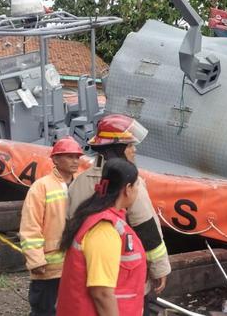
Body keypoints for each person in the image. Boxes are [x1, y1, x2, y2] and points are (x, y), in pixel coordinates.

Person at [67, 114, 170, 311]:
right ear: (117, 149)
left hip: (84, 274)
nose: (134, 150)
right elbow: (146, 228)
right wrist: (160, 268)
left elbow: (70, 226)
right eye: (130, 145)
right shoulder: (131, 183)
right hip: (124, 279)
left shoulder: (79, 182)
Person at [57, 158, 146, 316]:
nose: (138, 190)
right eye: (137, 185)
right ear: (128, 188)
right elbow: (101, 293)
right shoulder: (104, 229)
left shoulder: (98, 217)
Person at [19, 137, 83, 316]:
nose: (75, 161)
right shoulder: (41, 188)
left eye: (77, 157)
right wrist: (35, 260)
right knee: (44, 309)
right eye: (69, 156)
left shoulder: (82, 185)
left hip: (75, 263)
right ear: (55, 160)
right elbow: (30, 226)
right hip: (49, 267)